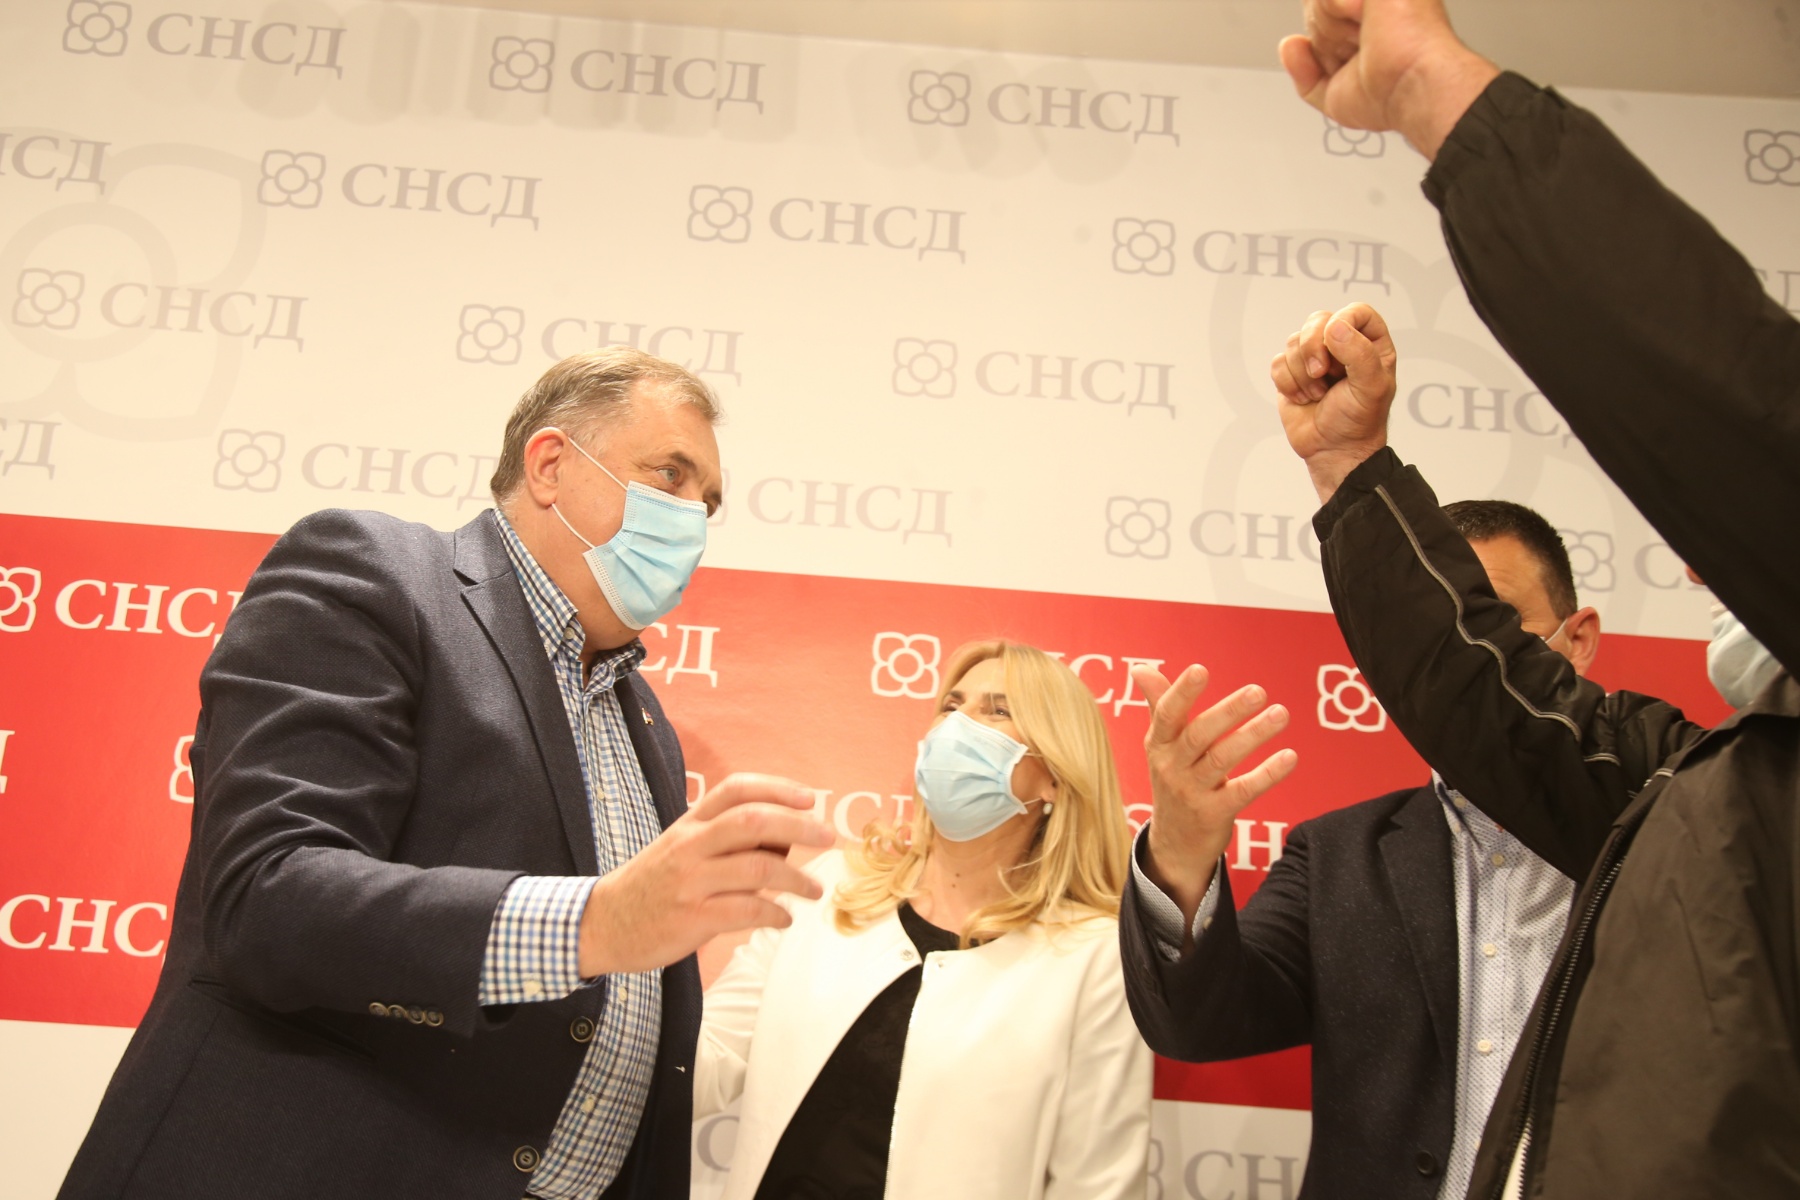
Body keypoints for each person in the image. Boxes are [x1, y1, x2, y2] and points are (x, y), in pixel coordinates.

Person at [57, 348, 836, 1200]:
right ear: (550, 465)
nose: (692, 518)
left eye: (707, 502)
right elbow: (268, 896)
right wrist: (596, 923)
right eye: (670, 476)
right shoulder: (372, 573)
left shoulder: (643, 721)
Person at [1275, 1, 1800, 1195]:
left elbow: (1730, 405)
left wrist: (1435, 93)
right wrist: (1350, 468)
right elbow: (1493, 701)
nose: (1704, 566)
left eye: (1724, 542)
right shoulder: (1700, 788)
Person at [1119, 475, 1642, 1199]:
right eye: (1428, 634)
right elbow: (1199, 1026)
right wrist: (1180, 851)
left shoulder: (1671, 834)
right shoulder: (1336, 857)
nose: (1461, 660)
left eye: (1493, 626)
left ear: (1576, 641)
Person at [694, 641, 1155, 1200]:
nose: (957, 726)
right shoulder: (828, 889)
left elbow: (1098, 1185)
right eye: (951, 706)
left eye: (997, 710)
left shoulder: (1096, 958)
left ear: (1054, 777)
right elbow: (699, 1066)